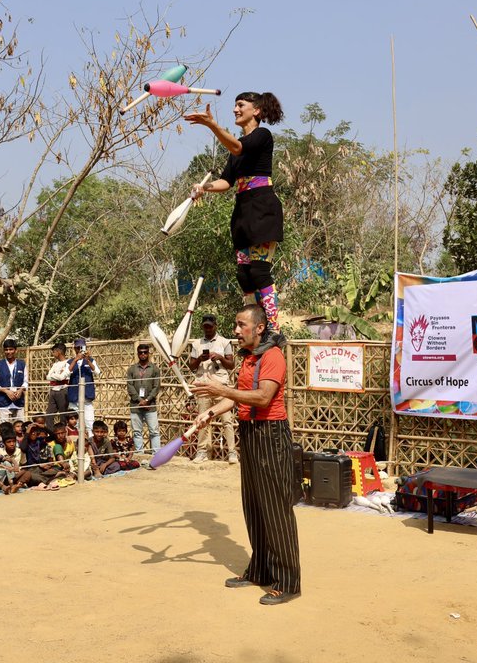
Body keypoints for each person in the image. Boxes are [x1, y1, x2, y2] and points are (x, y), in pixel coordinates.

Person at [192, 304, 300, 606]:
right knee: (254, 506)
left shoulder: (273, 357)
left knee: (276, 510)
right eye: (236, 325)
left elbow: (263, 397)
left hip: (271, 435)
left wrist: (220, 390)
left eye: (241, 325)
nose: (236, 331)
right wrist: (211, 412)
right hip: (251, 434)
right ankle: (261, 571)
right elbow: (240, 398)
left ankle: (288, 581)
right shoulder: (249, 358)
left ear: (260, 327)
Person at [185, 93, 287, 336]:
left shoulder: (262, 136)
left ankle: (273, 329)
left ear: (257, 111)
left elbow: (237, 146)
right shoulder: (235, 152)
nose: (235, 109)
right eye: (235, 105)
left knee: (259, 271)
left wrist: (212, 125)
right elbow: (226, 182)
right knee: (244, 274)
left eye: (241, 105)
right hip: (242, 212)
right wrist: (204, 187)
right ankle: (253, 328)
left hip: (262, 209)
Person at [188, 314, 238, 463]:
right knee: (203, 420)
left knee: (227, 420)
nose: (208, 329)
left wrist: (220, 358)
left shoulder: (224, 342)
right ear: (202, 327)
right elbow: (191, 366)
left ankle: (232, 452)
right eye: (205, 326)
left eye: (210, 326)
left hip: (221, 386)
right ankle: (202, 452)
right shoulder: (197, 344)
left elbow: (231, 365)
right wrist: (199, 359)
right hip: (203, 386)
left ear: (215, 325)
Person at [125, 343, 162, 453]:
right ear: (137, 354)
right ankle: (140, 454)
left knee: (154, 431)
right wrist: (139, 400)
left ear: (148, 354)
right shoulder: (131, 369)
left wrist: (147, 400)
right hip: (136, 405)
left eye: (145, 352)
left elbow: (156, 387)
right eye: (140, 352)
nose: (143, 354)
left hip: (150, 406)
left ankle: (156, 454)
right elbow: (130, 386)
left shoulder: (155, 369)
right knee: (137, 431)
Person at [67, 337, 101, 433]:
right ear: (74, 348)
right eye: (78, 348)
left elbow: (97, 372)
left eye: (82, 347)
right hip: (74, 398)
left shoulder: (90, 360)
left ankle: (91, 444)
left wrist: (88, 360)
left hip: (87, 398)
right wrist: (75, 360)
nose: (80, 350)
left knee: (90, 423)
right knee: (74, 424)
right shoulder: (70, 362)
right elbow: (65, 374)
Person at [0, 339, 27, 425]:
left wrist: (21, 390)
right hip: (3, 402)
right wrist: (6, 391)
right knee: (4, 428)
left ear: (15, 350)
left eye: (11, 349)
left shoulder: (22, 364)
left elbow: (26, 382)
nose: (8, 352)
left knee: (20, 427)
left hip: (18, 402)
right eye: (6, 349)